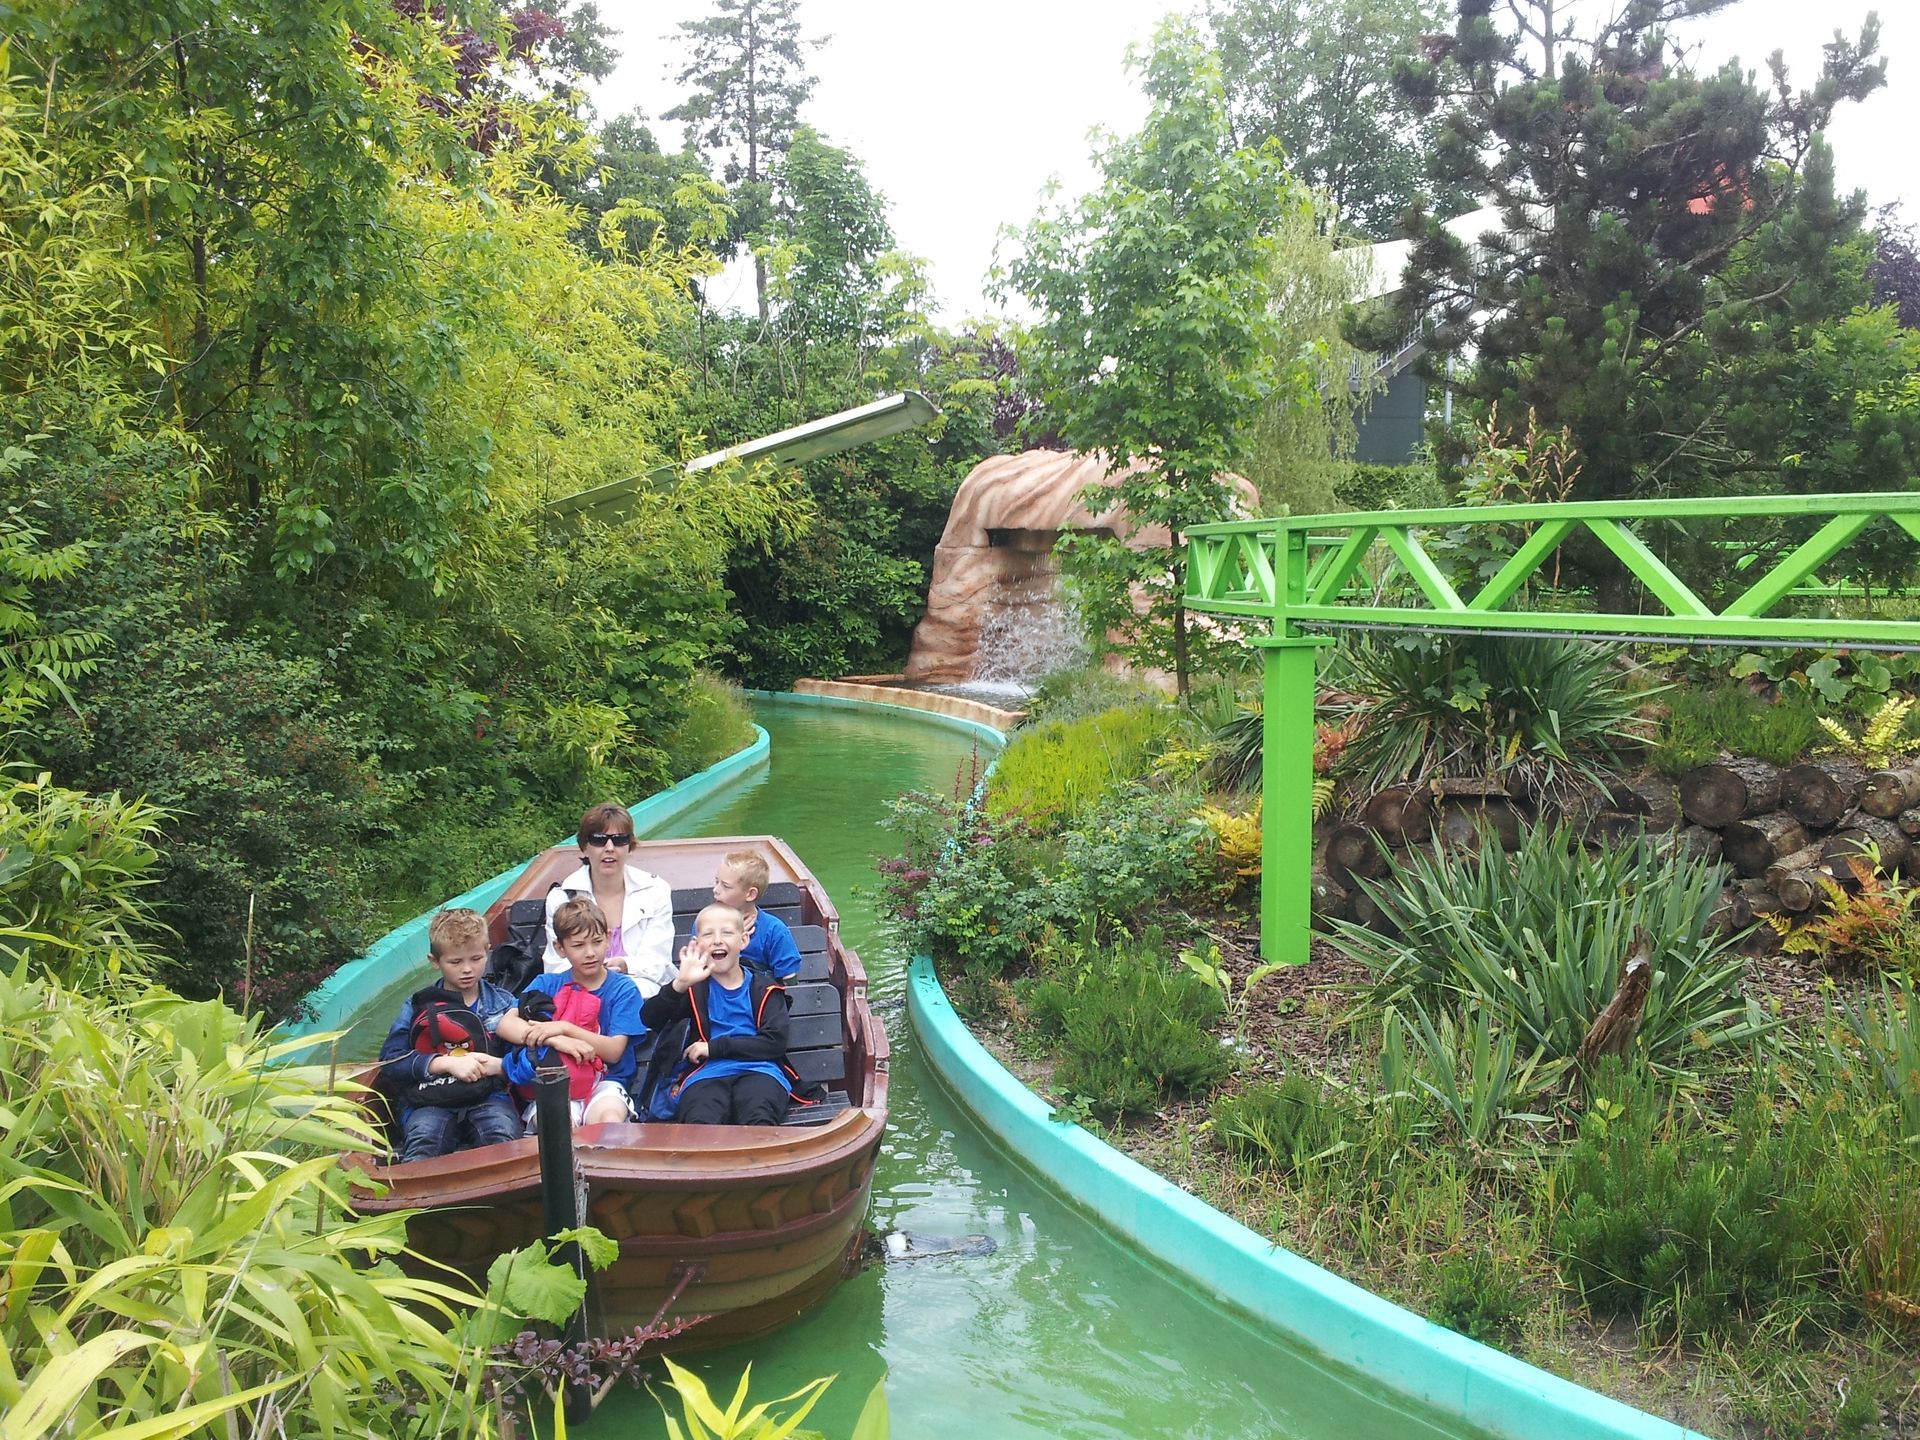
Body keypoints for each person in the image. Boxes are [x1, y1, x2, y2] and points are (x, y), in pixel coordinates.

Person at [377, 908, 520, 1162]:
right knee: (424, 1138)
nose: (467, 969)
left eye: (476, 959)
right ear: (435, 961)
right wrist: (443, 1063)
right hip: (429, 1099)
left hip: (488, 1097)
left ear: (488, 951)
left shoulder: (504, 1003)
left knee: (501, 1133)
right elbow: (391, 1060)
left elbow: (524, 1058)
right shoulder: (417, 1005)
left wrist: (500, 1066)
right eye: (455, 962)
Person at [640, 903, 792, 1125]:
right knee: (701, 1117)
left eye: (727, 933)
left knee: (758, 1111)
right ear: (696, 944)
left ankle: (761, 1146)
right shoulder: (693, 989)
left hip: (760, 1070)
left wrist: (713, 1048)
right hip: (706, 1073)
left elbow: (774, 1043)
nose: (717, 940)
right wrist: (679, 984)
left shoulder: (766, 989)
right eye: (708, 934)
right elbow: (650, 1018)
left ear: (743, 941)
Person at [502, 896, 646, 1127]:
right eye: (578, 945)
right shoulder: (547, 984)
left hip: (606, 1082)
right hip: (556, 1080)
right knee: (557, 1125)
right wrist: (557, 1040)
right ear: (560, 948)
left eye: (596, 942)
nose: (590, 953)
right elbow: (506, 1024)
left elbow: (614, 1051)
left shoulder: (623, 989)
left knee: (609, 1121)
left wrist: (564, 1028)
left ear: (608, 938)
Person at [543, 802, 674, 998]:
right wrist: (596, 980)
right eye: (599, 840)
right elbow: (556, 965)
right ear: (585, 847)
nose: (610, 848)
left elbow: (659, 962)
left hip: (640, 990)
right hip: (581, 993)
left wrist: (624, 965)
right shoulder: (561, 897)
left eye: (620, 839)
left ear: (629, 846)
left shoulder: (655, 890)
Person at [712, 849, 801, 980]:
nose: (715, 890)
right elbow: (698, 969)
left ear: (750, 894)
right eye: (716, 882)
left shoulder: (774, 931)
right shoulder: (705, 925)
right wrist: (732, 938)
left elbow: (789, 982)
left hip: (760, 992)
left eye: (726, 886)